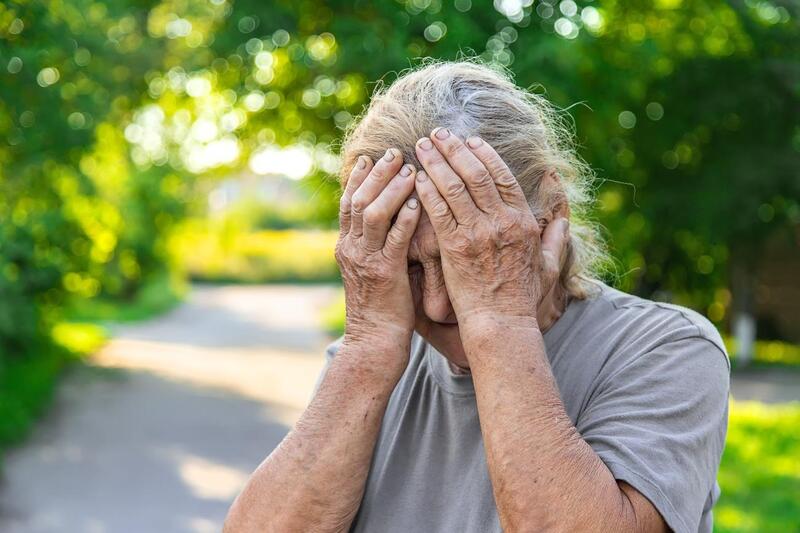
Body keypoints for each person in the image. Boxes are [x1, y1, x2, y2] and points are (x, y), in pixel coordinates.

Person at [224, 60, 729, 533]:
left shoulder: (666, 349)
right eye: (413, 267)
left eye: (469, 260)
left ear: (552, 215)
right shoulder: (373, 360)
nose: (440, 306)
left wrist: (501, 322)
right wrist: (366, 348)